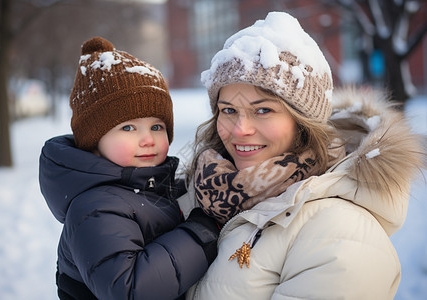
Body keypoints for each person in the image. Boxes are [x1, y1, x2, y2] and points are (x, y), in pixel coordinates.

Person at [181, 12, 423, 299]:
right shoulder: (198, 191)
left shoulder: (340, 235)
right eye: (228, 110)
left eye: (263, 110)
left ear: (303, 123)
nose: (240, 129)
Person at [39, 37, 219, 300]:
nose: (147, 139)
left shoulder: (151, 186)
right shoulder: (95, 208)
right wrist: (201, 232)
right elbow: (130, 289)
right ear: (94, 141)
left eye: (156, 127)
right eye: (128, 128)